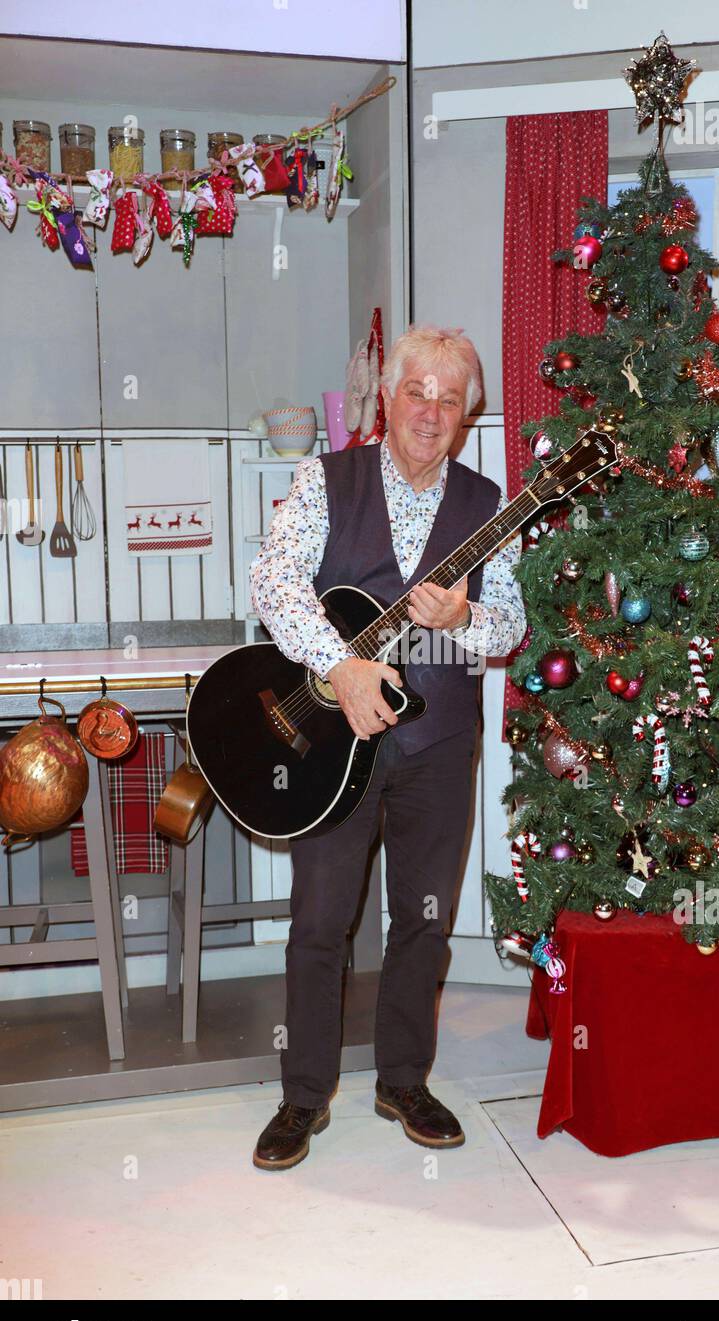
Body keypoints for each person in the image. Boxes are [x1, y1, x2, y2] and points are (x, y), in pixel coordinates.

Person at [248, 324, 526, 1169]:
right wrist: (342, 666)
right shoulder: (326, 480)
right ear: (387, 398)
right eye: (419, 393)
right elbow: (274, 581)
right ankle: (303, 1097)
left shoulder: (490, 504)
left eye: (450, 401)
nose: (431, 413)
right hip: (337, 742)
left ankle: (403, 1078)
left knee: (425, 921)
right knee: (320, 921)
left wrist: (468, 616)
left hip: (441, 742)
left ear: (466, 415)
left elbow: (511, 624)